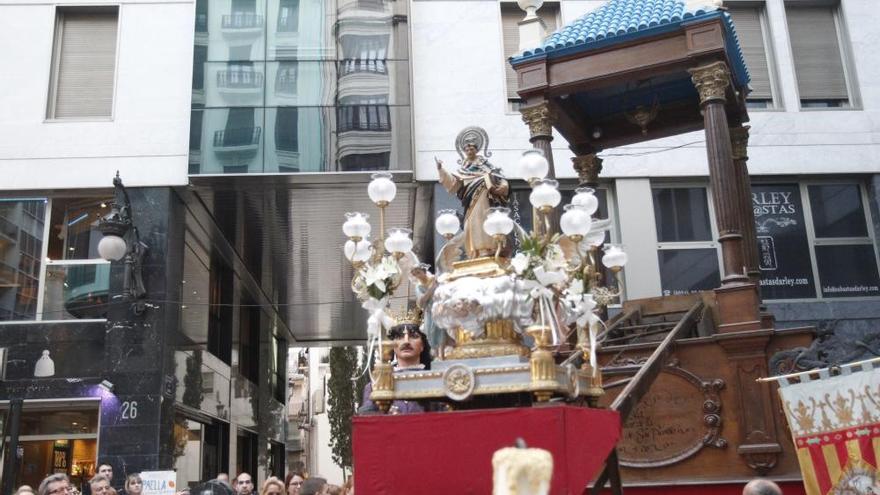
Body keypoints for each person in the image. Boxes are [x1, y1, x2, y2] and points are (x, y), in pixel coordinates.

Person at [436, 130, 509, 260]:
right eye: (467, 148)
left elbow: (499, 176)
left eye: (472, 147)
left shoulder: (484, 164)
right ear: (464, 151)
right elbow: (453, 183)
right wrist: (441, 169)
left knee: (484, 220)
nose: (469, 149)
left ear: (477, 149)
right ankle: (474, 250)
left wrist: (503, 185)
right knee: (472, 223)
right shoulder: (463, 169)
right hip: (470, 201)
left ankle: (487, 249)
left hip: (484, 197)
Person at [358, 319, 433, 414]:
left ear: (422, 345)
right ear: (392, 345)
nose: (406, 341)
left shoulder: (435, 379)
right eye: (400, 337)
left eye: (413, 336)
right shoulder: (377, 384)